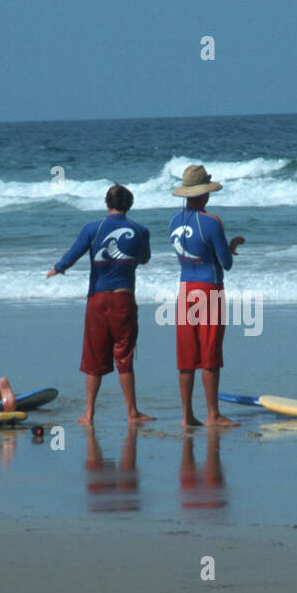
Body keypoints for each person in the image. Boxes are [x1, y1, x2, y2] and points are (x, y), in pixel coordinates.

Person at [47, 183, 155, 425]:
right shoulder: (140, 231)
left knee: (94, 357)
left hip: (97, 299)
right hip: (123, 299)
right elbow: (144, 259)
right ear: (130, 205)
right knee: (124, 356)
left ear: (107, 204)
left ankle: (88, 413)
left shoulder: (92, 229)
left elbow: (72, 254)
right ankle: (132, 413)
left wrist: (57, 269)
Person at [168, 164, 245, 427]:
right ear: (205, 194)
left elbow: (192, 253)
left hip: (185, 289)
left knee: (186, 356)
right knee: (210, 353)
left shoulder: (173, 221)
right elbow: (225, 263)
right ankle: (213, 414)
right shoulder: (212, 222)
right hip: (209, 289)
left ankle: (187, 415)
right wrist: (230, 247)